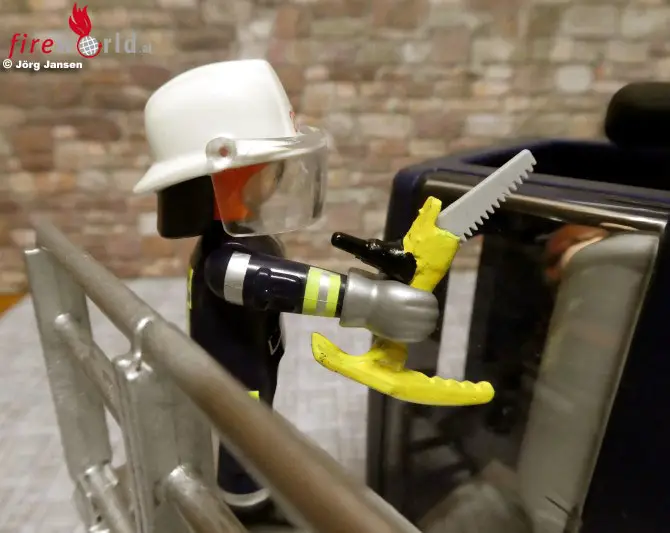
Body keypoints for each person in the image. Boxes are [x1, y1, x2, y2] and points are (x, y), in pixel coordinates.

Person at [133, 59, 439, 525]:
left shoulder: (235, 241)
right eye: (267, 167)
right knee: (243, 439)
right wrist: (364, 301)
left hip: (251, 363)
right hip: (236, 378)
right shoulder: (225, 261)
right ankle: (244, 507)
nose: (275, 177)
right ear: (226, 176)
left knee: (255, 430)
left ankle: (251, 493)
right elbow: (282, 284)